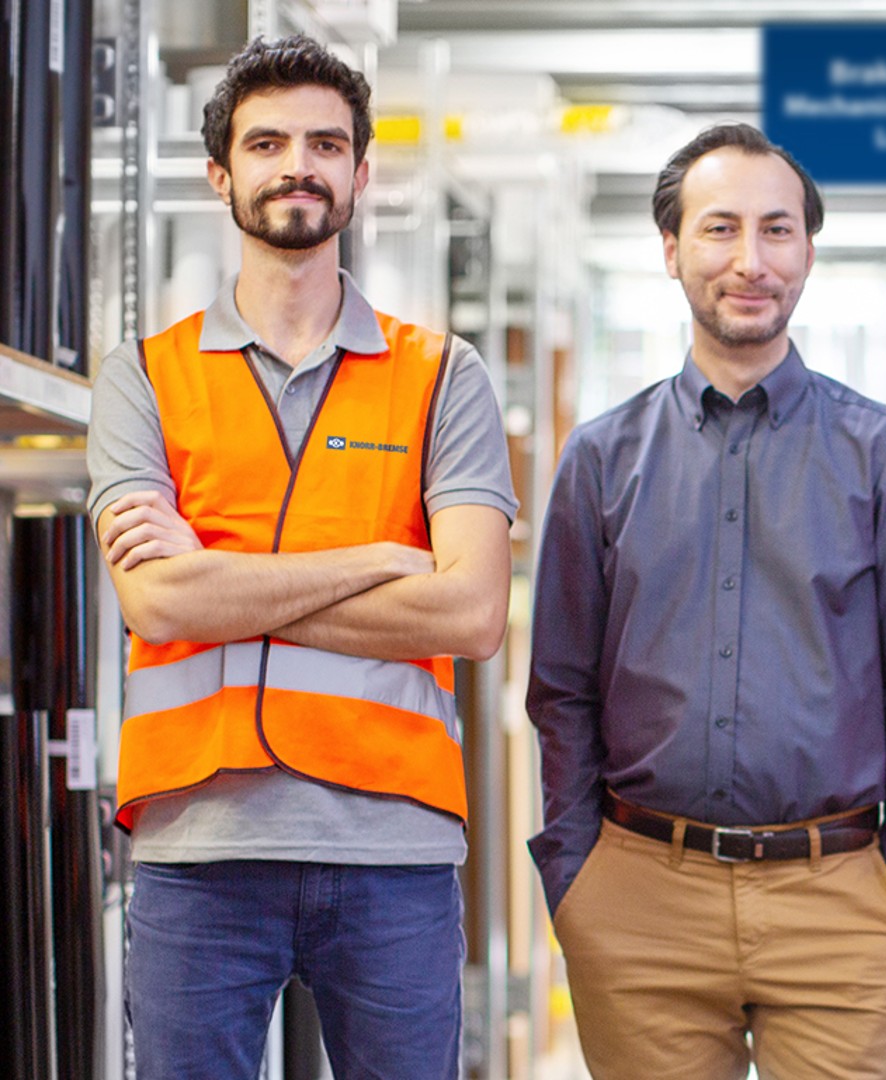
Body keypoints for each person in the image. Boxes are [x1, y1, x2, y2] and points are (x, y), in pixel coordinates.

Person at [85, 35, 516, 1080]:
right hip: (200, 849)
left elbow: (471, 617)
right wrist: (383, 557)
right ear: (221, 175)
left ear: (361, 175)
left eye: (327, 144)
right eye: (267, 142)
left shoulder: (440, 377)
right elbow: (159, 602)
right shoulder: (144, 376)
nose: (299, 165)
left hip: (394, 855)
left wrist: (223, 582)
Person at [526, 122, 886, 1080]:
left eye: (777, 230)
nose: (750, 260)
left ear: (808, 251)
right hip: (639, 898)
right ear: (673, 250)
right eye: (720, 229)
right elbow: (558, 688)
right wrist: (575, 873)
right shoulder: (602, 459)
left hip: (843, 903)